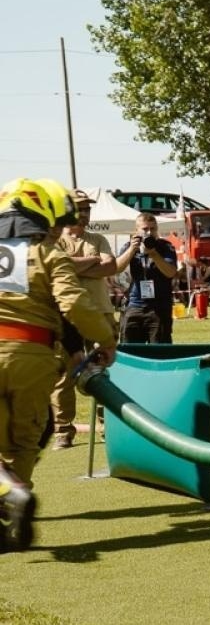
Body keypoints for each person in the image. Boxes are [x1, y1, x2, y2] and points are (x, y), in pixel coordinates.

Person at [0, 178, 118, 551]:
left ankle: (10, 495)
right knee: (26, 438)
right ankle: (15, 499)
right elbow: (73, 305)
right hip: (33, 356)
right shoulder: (48, 251)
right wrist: (106, 339)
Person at [49, 190, 117, 450]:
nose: (85, 213)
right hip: (66, 317)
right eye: (80, 208)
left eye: (88, 208)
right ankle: (63, 432)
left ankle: (107, 426)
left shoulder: (98, 238)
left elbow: (111, 267)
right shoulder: (54, 242)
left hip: (100, 313)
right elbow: (60, 265)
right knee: (64, 377)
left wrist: (75, 265)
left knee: (103, 371)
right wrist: (93, 261)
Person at [115, 213, 180, 343]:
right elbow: (116, 268)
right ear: (137, 230)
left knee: (159, 351)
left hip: (159, 307)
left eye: (153, 229)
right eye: (145, 229)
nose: (149, 232)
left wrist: (154, 254)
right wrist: (132, 250)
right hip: (134, 305)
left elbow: (170, 272)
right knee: (130, 350)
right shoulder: (129, 246)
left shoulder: (165, 246)